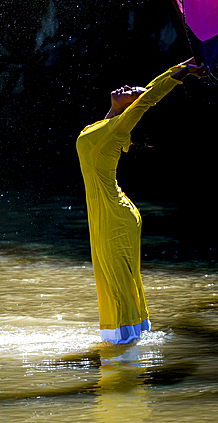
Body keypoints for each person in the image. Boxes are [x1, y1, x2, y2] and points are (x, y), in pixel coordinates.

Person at [76, 56, 209, 345]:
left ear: (135, 104)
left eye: (133, 90)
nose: (127, 87)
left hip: (115, 217)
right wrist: (190, 61)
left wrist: (182, 72)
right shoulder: (107, 125)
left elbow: (151, 94)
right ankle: (130, 338)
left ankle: (126, 343)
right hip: (111, 215)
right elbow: (147, 90)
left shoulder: (119, 128)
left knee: (119, 280)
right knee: (111, 277)